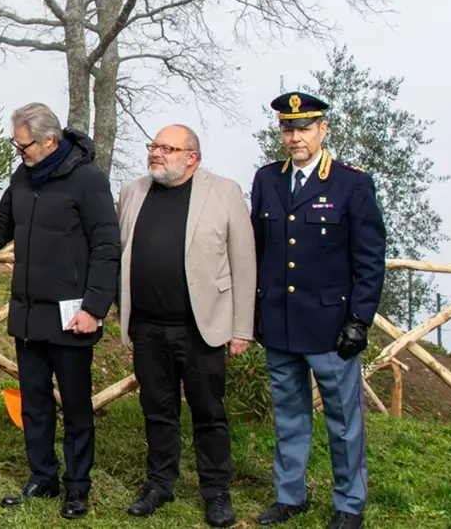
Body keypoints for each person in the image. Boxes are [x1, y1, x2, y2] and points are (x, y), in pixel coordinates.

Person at [0, 102, 120, 520]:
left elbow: (108, 247)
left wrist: (94, 307)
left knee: (74, 405)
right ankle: (43, 476)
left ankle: (77, 486)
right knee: (34, 401)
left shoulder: (88, 180)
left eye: (24, 146)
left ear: (49, 140)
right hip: (29, 314)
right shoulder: (24, 176)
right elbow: (2, 225)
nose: (20, 153)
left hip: (72, 315)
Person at [250, 92, 386, 529]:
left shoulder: (351, 183)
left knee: (344, 422)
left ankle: (349, 504)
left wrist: (359, 320)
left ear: (323, 129)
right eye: (288, 129)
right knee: (289, 416)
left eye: (304, 128)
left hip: (332, 328)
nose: (295, 137)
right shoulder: (267, 180)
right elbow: (260, 250)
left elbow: (369, 260)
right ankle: (290, 496)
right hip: (280, 324)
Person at [115, 124, 256, 527]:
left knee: (209, 412)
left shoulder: (224, 191)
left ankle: (216, 492)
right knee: (157, 410)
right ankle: (160, 484)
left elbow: (244, 263)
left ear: (192, 156)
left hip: (202, 326)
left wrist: (241, 328)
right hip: (148, 327)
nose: (155, 153)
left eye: (167, 148)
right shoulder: (132, 191)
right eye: (153, 146)